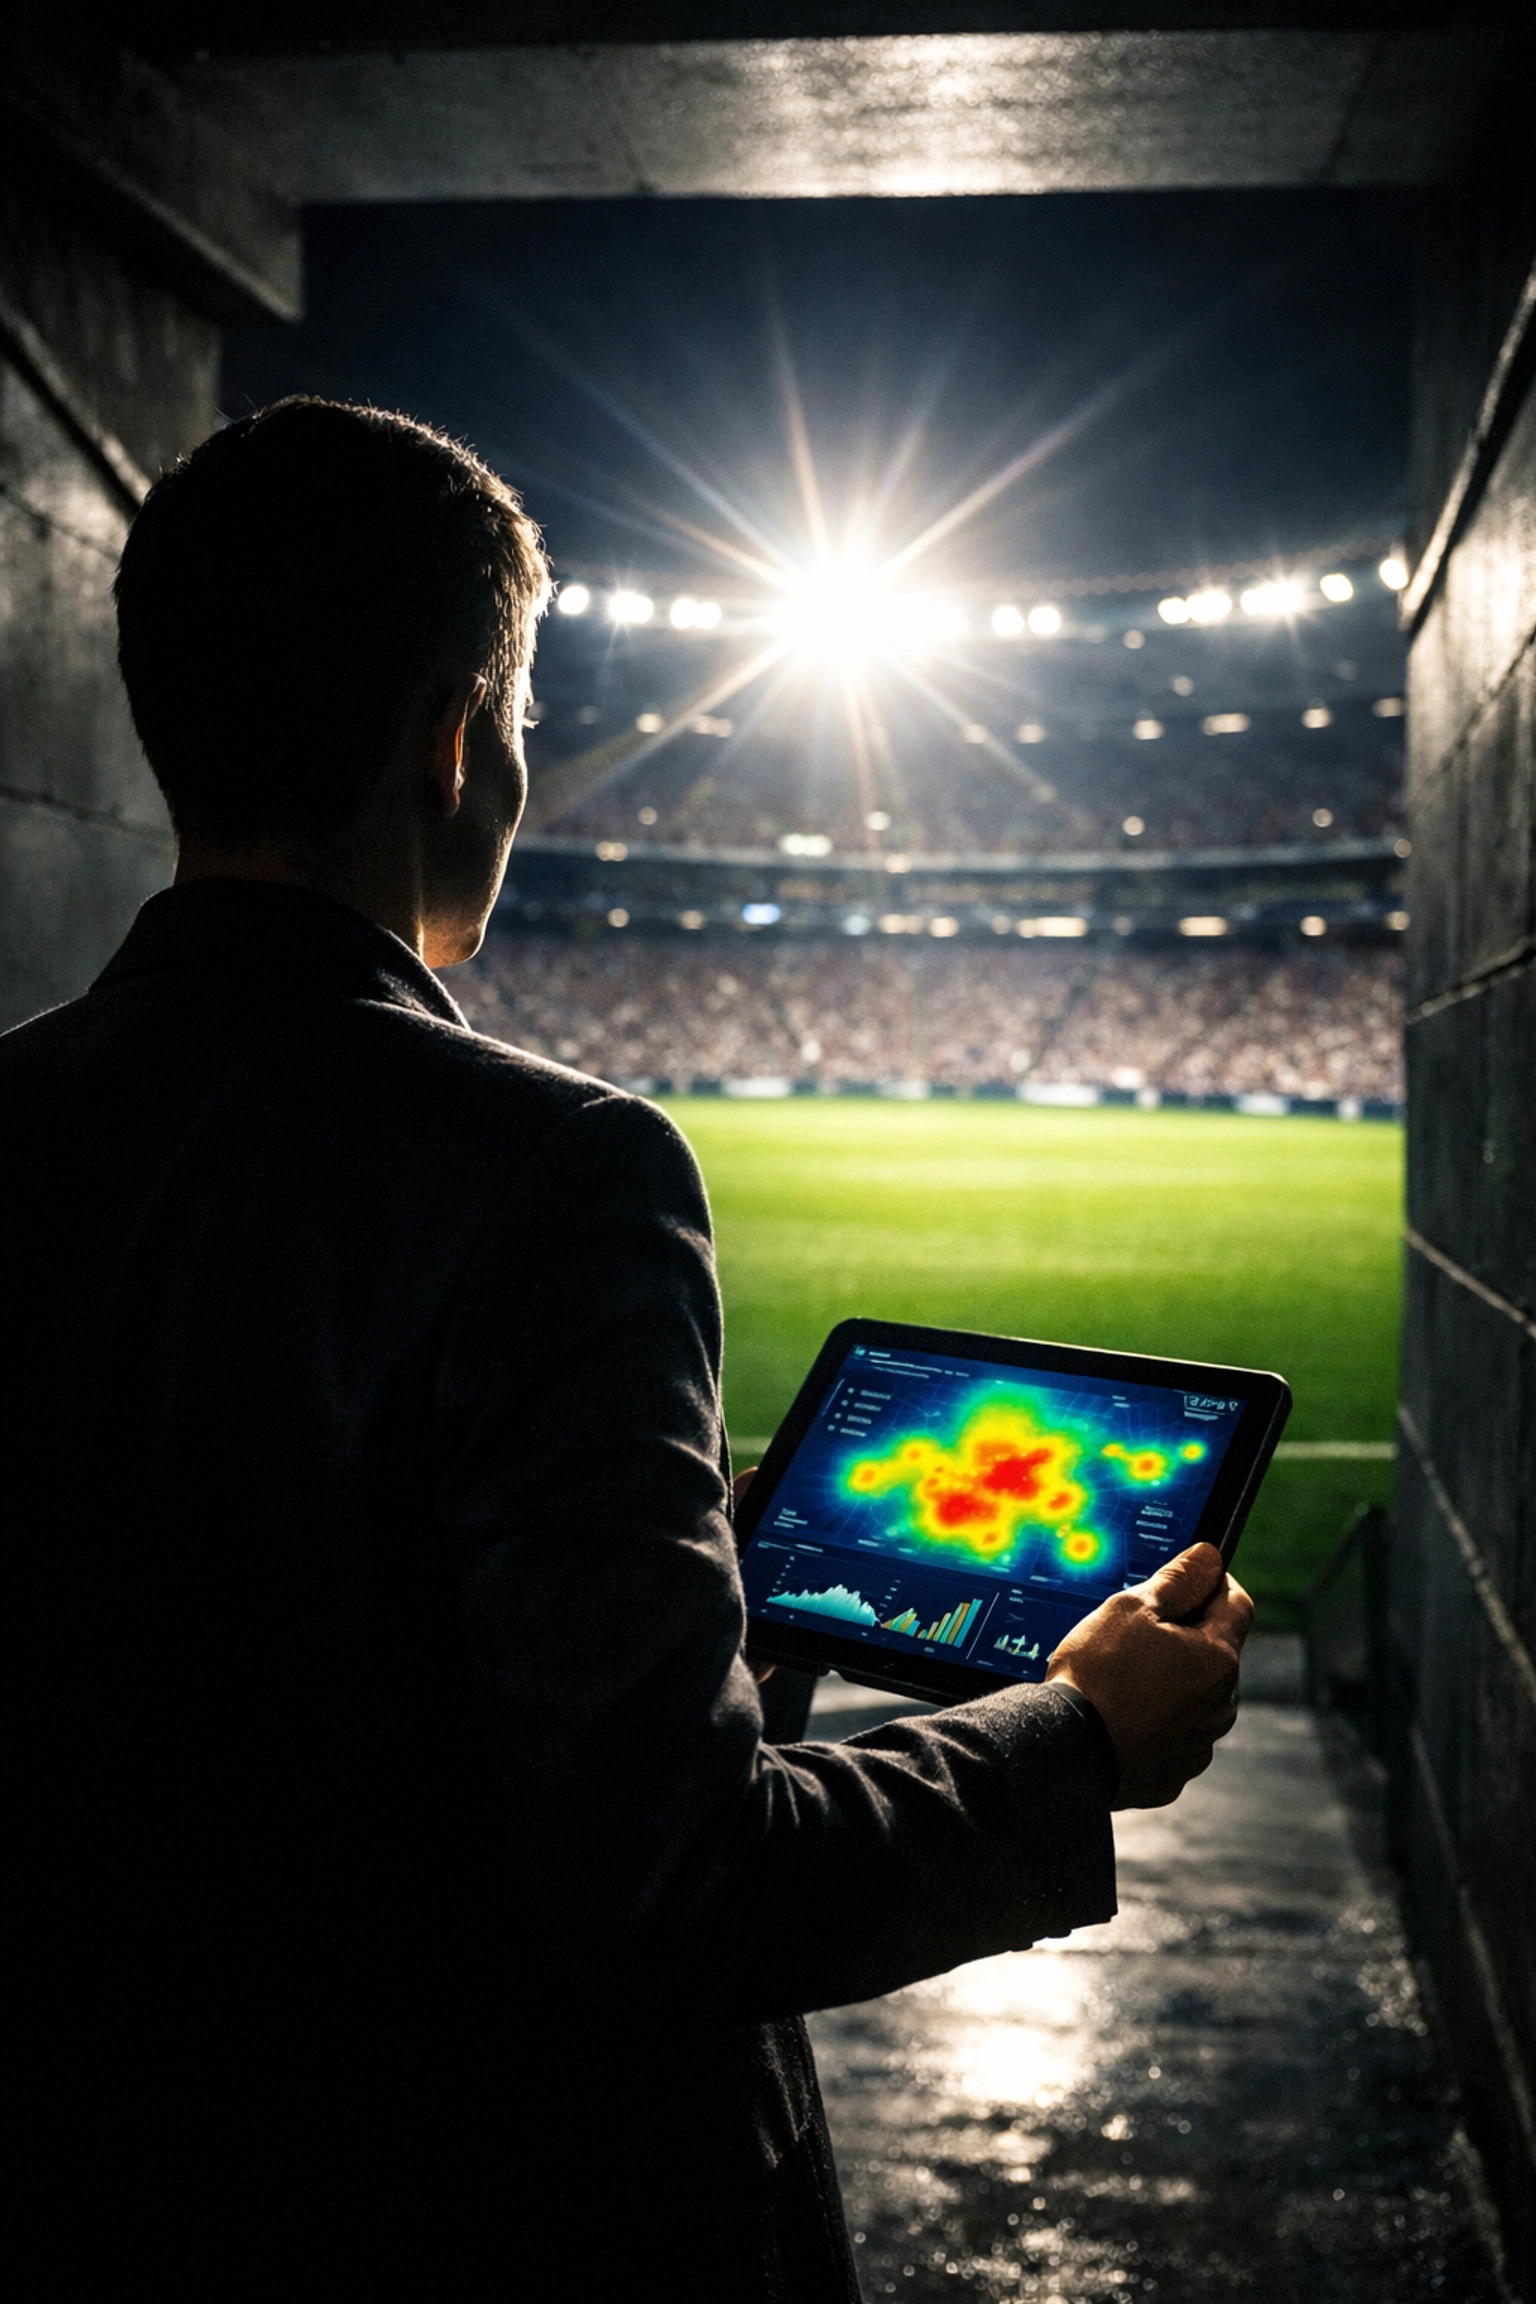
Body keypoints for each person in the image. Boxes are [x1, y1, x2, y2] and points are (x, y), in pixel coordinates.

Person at [0, 399, 1252, 2300]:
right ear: (453, 738)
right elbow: (672, 1887)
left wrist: (693, 1617)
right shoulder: (558, 1172)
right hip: (499, 2209)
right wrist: (1072, 1743)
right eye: (518, 720)